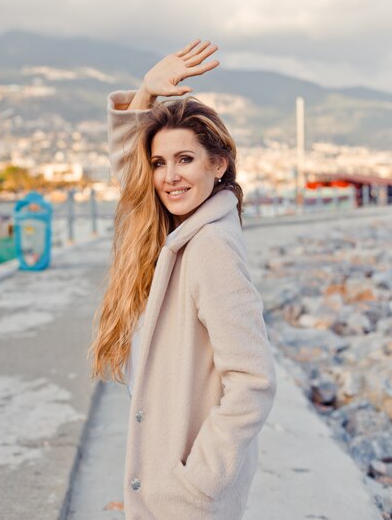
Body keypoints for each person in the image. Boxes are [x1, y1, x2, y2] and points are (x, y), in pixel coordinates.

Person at [89, 39, 277, 519]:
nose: (169, 176)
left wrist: (194, 484)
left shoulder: (210, 248)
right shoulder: (181, 233)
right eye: (159, 162)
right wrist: (145, 97)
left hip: (189, 503)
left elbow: (253, 380)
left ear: (218, 164)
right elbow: (131, 178)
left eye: (186, 159)